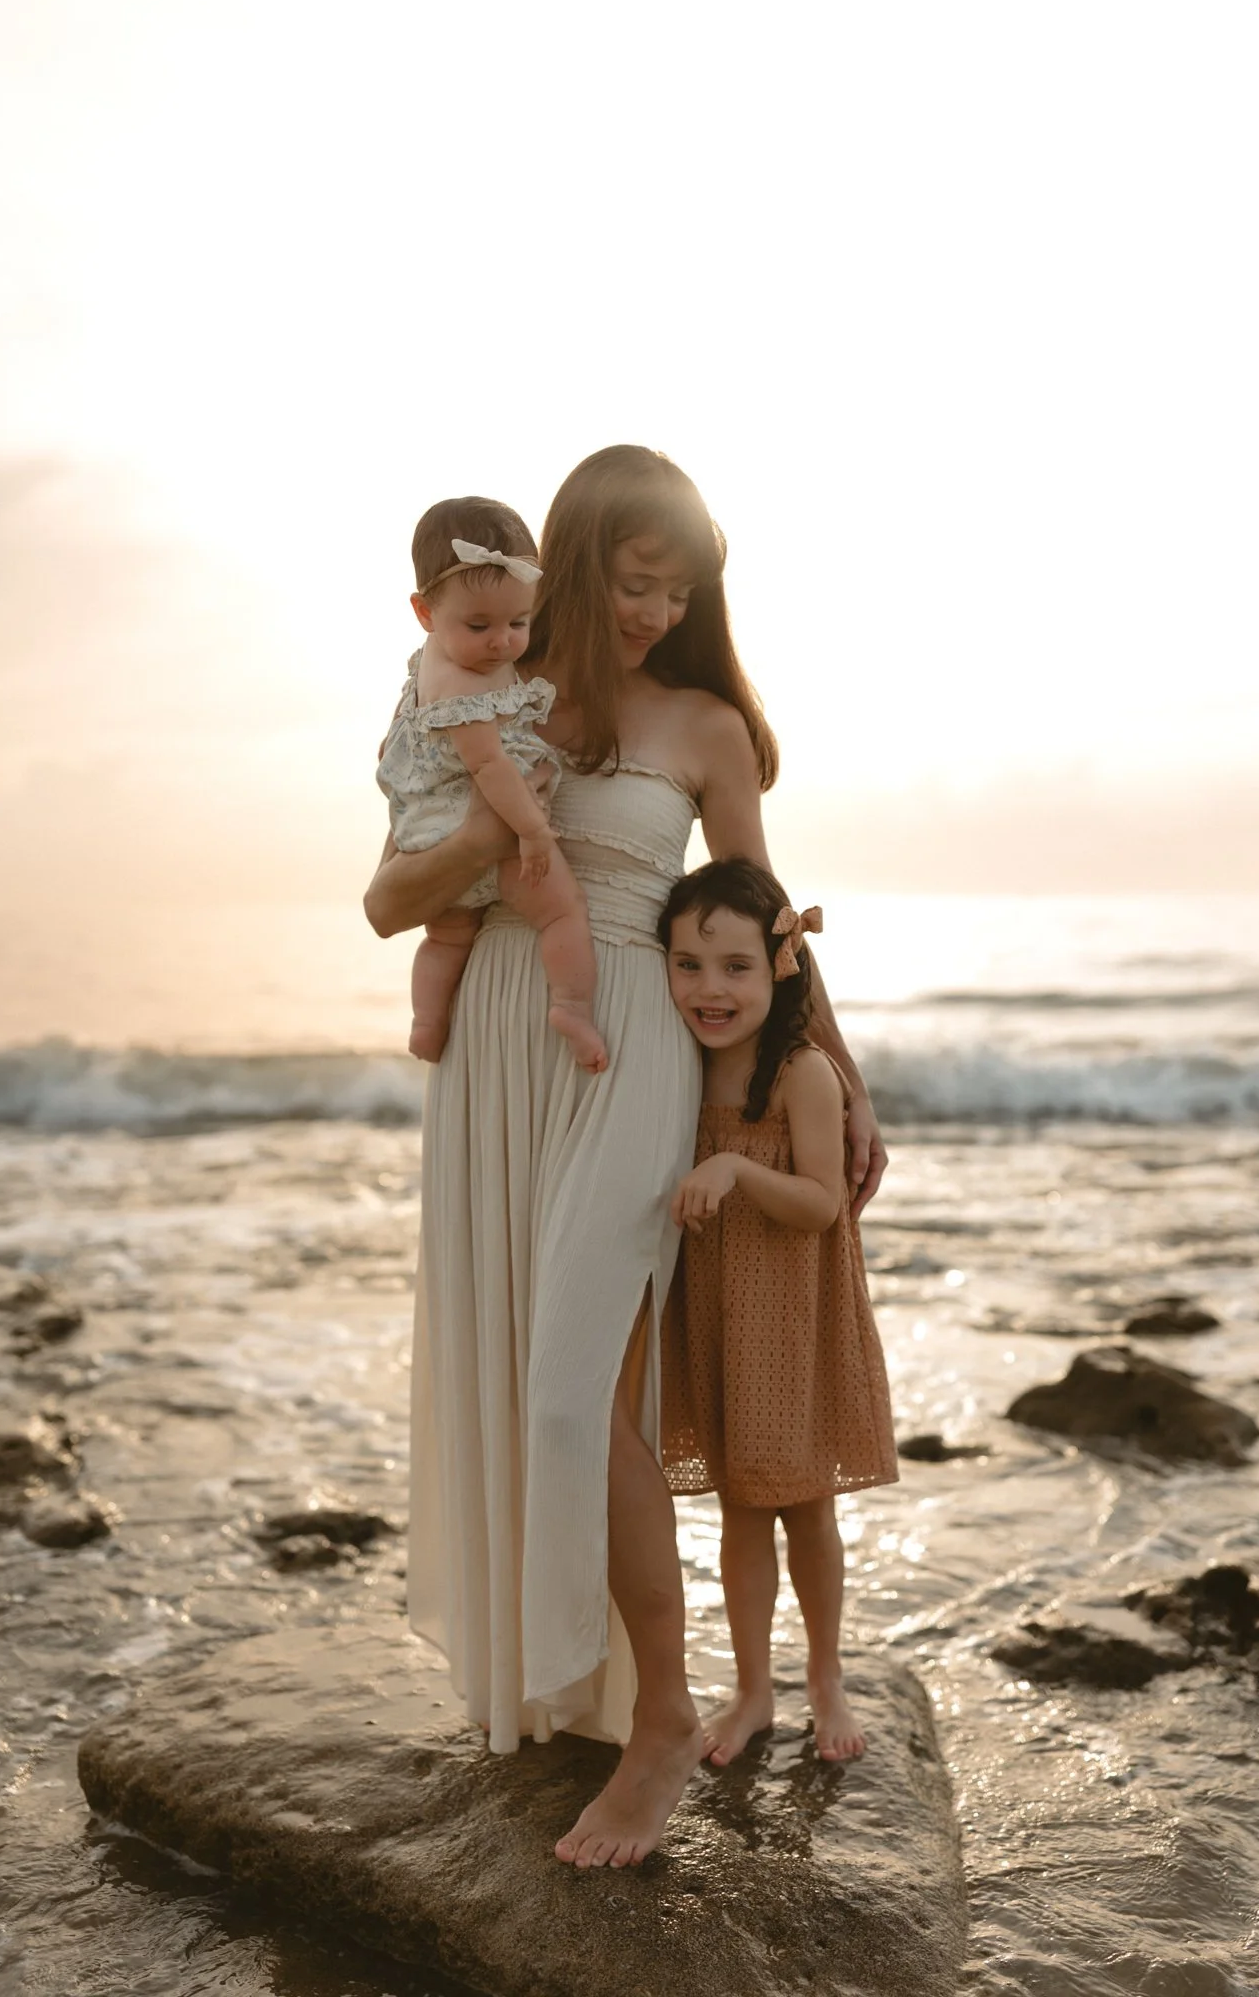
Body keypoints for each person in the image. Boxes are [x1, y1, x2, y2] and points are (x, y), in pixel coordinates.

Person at [363, 445, 888, 1871]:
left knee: (571, 1392)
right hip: (495, 1047)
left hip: (629, 1054)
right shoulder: (490, 701)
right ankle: (577, 1685)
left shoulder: (706, 725)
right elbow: (386, 898)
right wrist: (485, 820)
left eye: (681, 588)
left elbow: (761, 914)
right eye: (634, 581)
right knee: (524, 1373)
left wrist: (831, 1071)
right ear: (577, 564)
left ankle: (662, 1716)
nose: (655, 610)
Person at [658, 859, 899, 1765]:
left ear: (778, 969)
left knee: (805, 1507)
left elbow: (821, 1205)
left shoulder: (802, 1072)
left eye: (733, 967)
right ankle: (753, 1687)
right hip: (720, 1314)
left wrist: (734, 1170)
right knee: (738, 1510)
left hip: (792, 1318)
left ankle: (825, 1678)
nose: (709, 989)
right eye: (687, 964)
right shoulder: (679, 1059)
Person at [376, 497, 606, 1072]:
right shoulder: (465, 689)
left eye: (518, 623)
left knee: (448, 938)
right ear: (425, 612)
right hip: (478, 824)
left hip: (424, 834)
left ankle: (428, 1023)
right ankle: (572, 1007)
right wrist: (533, 835)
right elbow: (490, 770)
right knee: (560, 912)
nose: (502, 642)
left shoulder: (435, 658)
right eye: (480, 626)